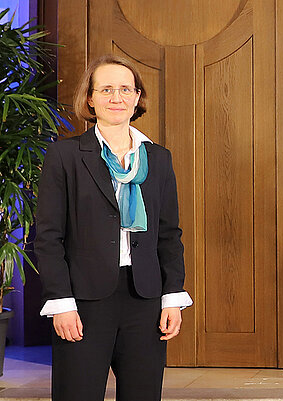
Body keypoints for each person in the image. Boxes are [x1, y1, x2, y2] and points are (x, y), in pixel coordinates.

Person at [35, 54, 192, 401]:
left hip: (144, 298)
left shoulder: (158, 158)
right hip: (84, 300)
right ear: (90, 98)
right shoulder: (65, 156)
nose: (116, 97)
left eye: (125, 89)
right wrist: (61, 301)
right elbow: (48, 237)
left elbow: (169, 235)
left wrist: (172, 298)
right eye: (106, 89)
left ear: (137, 97)